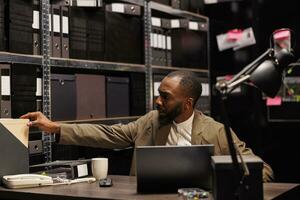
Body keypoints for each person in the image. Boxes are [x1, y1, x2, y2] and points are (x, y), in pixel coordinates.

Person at [21, 70, 274, 182]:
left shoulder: (215, 131)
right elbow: (108, 134)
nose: (157, 101)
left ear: (187, 104)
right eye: (158, 94)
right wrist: (54, 127)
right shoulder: (150, 122)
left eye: (165, 96)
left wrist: (228, 184)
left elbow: (262, 170)